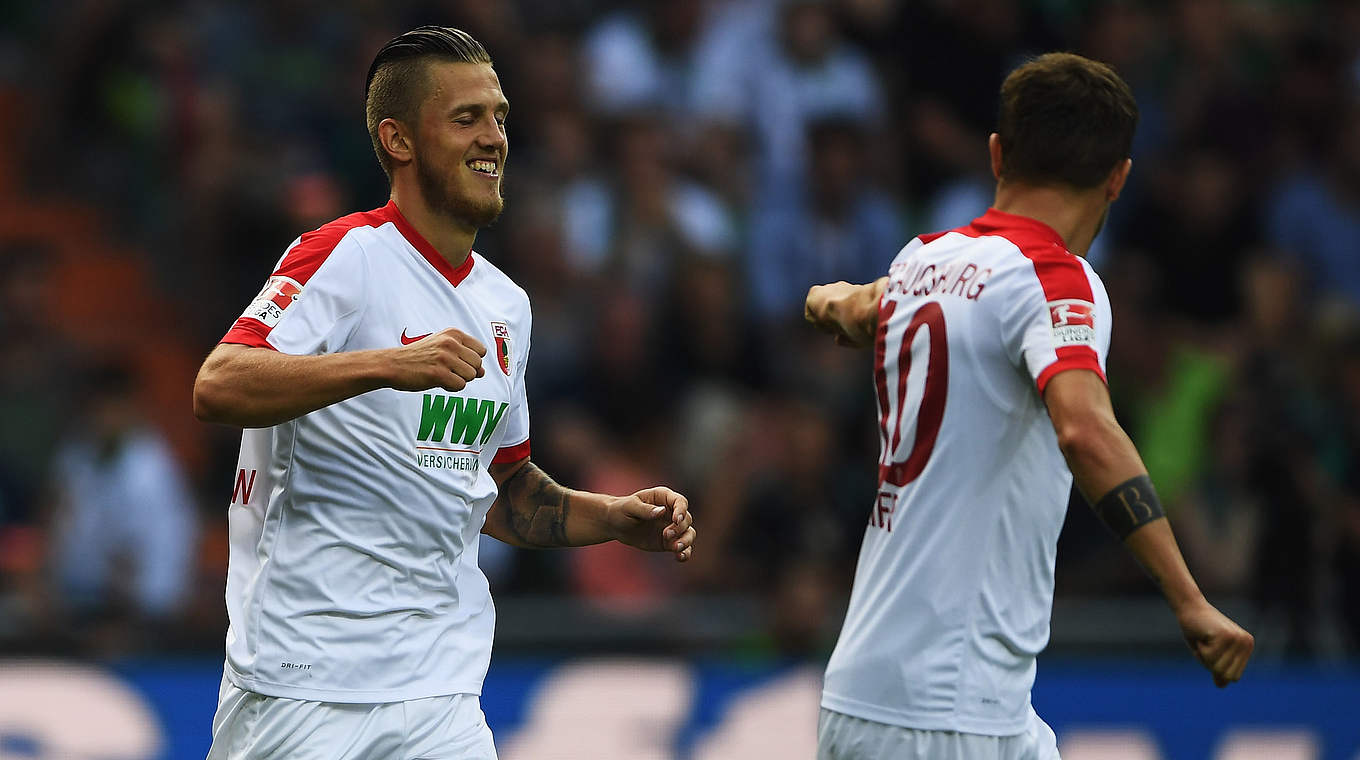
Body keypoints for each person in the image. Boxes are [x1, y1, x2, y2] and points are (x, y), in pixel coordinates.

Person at [192, 26, 695, 760]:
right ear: (397, 140)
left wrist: (613, 516)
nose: (493, 137)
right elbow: (219, 383)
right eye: (466, 118)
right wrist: (383, 365)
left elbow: (508, 491)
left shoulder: (506, 306)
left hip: (441, 697)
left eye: (499, 116)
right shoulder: (346, 255)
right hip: (303, 688)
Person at [804, 52, 1253, 760]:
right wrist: (1189, 598)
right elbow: (1084, 429)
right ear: (1118, 177)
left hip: (914, 693)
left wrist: (822, 301)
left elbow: (857, 306)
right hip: (947, 709)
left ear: (995, 154)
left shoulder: (922, 260)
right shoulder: (1055, 281)